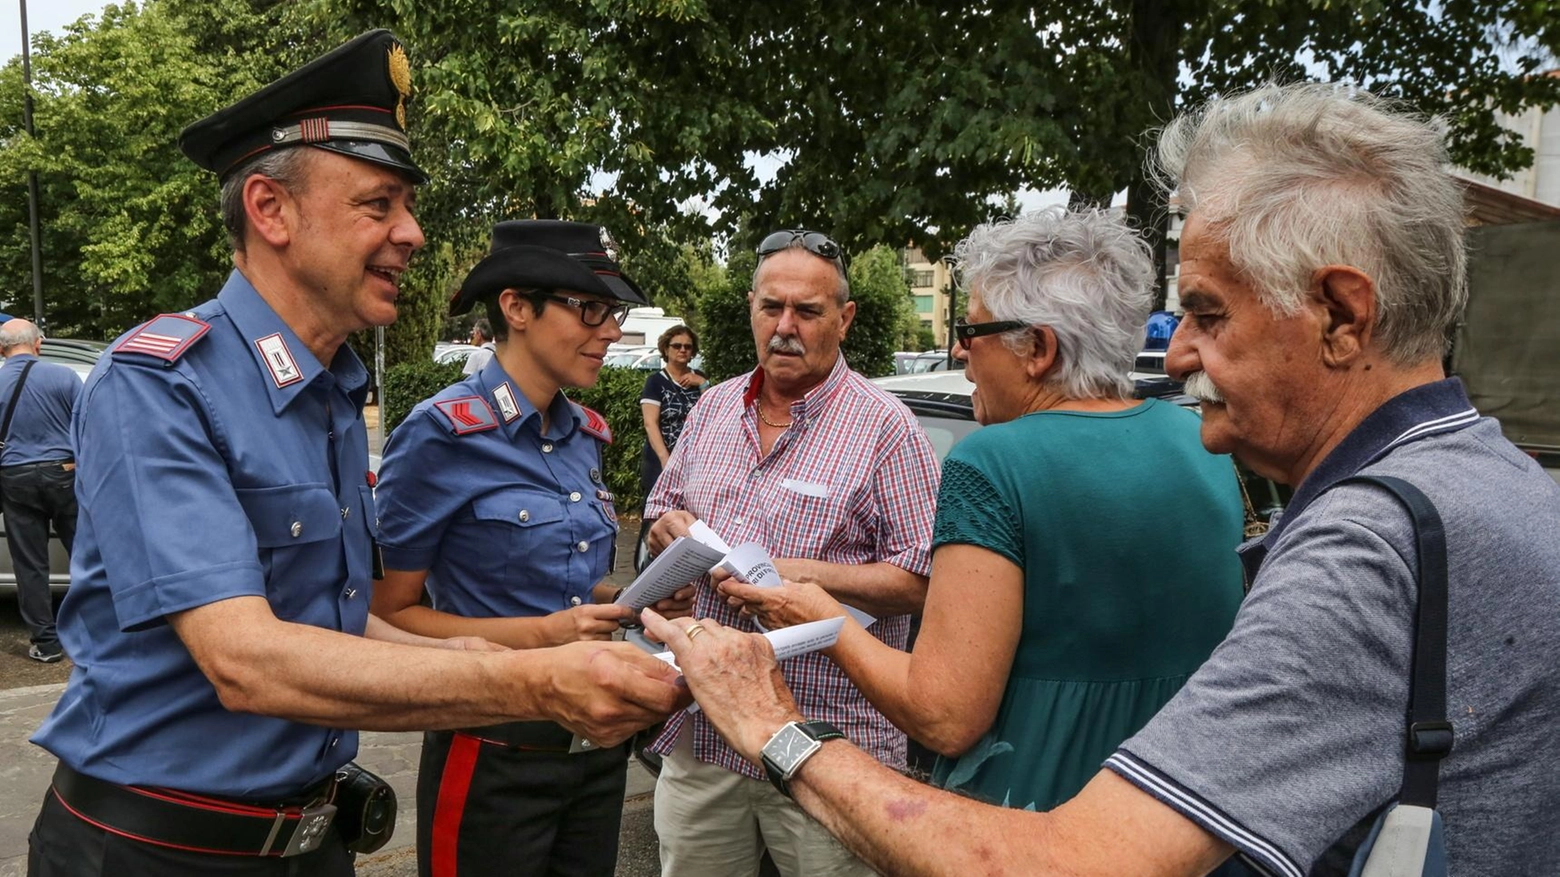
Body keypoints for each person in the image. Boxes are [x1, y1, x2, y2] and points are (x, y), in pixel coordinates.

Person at [639, 82, 1560, 877]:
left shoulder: (1365, 542)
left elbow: (986, 758)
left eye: (1205, 311)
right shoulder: (1491, 479)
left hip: (1025, 806)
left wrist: (776, 718)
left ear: (1341, 314)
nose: (1183, 354)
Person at [27, 31, 681, 877]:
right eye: (378, 205)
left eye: (407, 206)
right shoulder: (162, 383)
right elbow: (246, 658)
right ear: (271, 210)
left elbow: (336, 617)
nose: (411, 233)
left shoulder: (330, 390)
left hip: (313, 839)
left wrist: (493, 655)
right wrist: (530, 685)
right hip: (161, 850)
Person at [719, 208, 1245, 813]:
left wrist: (819, 614)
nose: (962, 355)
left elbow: (944, 717)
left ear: (1038, 349)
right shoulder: (1198, 442)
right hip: (1177, 801)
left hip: (1035, 808)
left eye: (971, 333)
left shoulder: (992, 462)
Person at [372, 220, 693, 877]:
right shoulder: (442, 435)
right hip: (495, 747)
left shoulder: (587, 436)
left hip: (595, 748)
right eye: (591, 309)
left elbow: (576, 589)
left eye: (615, 312)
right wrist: (543, 633)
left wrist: (632, 598)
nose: (610, 330)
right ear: (517, 307)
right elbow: (387, 616)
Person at [643, 228, 941, 877]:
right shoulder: (714, 407)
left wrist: (800, 574)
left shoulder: (887, 428)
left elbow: (922, 576)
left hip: (830, 739)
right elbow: (660, 508)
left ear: (844, 317)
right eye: (770, 307)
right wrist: (664, 530)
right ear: (750, 305)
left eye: (806, 311)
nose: (784, 326)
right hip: (708, 731)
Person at [0, 319, 82, 664]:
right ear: (39, 344)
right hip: (65, 472)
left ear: (2, 349)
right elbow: (87, 426)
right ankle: (97, 636)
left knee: (30, 564)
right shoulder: (64, 377)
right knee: (85, 556)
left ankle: (47, 645)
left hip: (15, 477)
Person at [639, 324, 703, 500]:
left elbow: (714, 412)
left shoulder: (699, 378)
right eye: (676, 345)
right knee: (657, 508)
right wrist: (665, 459)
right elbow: (650, 423)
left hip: (693, 459)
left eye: (688, 346)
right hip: (661, 457)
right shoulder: (655, 382)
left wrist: (703, 383)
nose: (682, 350)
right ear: (666, 349)